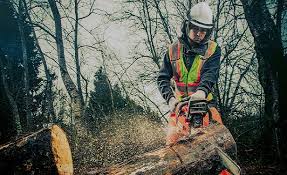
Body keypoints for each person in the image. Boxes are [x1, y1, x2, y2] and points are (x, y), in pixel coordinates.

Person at [157, 2, 223, 145]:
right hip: (180, 108)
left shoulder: (213, 49)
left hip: (205, 105)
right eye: (195, 28)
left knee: (216, 145)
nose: (199, 33)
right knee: (173, 146)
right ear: (187, 25)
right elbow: (162, 78)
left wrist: (202, 91)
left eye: (203, 30)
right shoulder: (173, 50)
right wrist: (170, 99)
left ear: (208, 31)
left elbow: (210, 74)